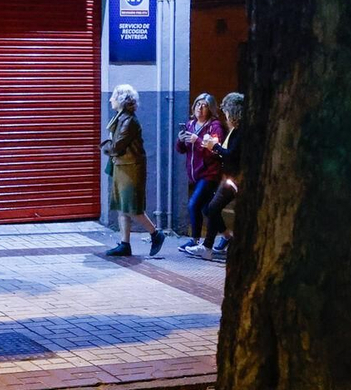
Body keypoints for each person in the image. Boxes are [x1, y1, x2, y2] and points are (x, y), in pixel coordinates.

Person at [101, 84, 165, 257]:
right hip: (122, 166)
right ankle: (125, 244)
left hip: (130, 168)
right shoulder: (120, 117)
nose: (110, 99)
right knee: (122, 207)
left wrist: (105, 146)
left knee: (132, 207)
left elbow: (117, 146)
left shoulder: (128, 121)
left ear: (121, 100)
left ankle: (155, 233)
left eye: (114, 96)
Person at [185, 92, 245, 263]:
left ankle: (208, 246)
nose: (226, 116)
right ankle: (215, 244)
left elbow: (231, 154)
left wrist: (214, 147)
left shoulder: (239, 132)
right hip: (228, 177)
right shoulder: (234, 131)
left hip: (232, 178)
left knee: (209, 207)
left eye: (227, 112)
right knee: (211, 208)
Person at [175, 92, 223, 251]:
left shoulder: (214, 126)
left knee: (193, 204)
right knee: (208, 209)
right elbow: (181, 150)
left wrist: (198, 141)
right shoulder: (190, 125)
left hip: (209, 173)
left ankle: (195, 240)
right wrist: (180, 140)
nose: (200, 108)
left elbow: (215, 151)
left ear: (211, 109)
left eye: (204, 106)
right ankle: (227, 236)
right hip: (195, 174)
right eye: (198, 104)